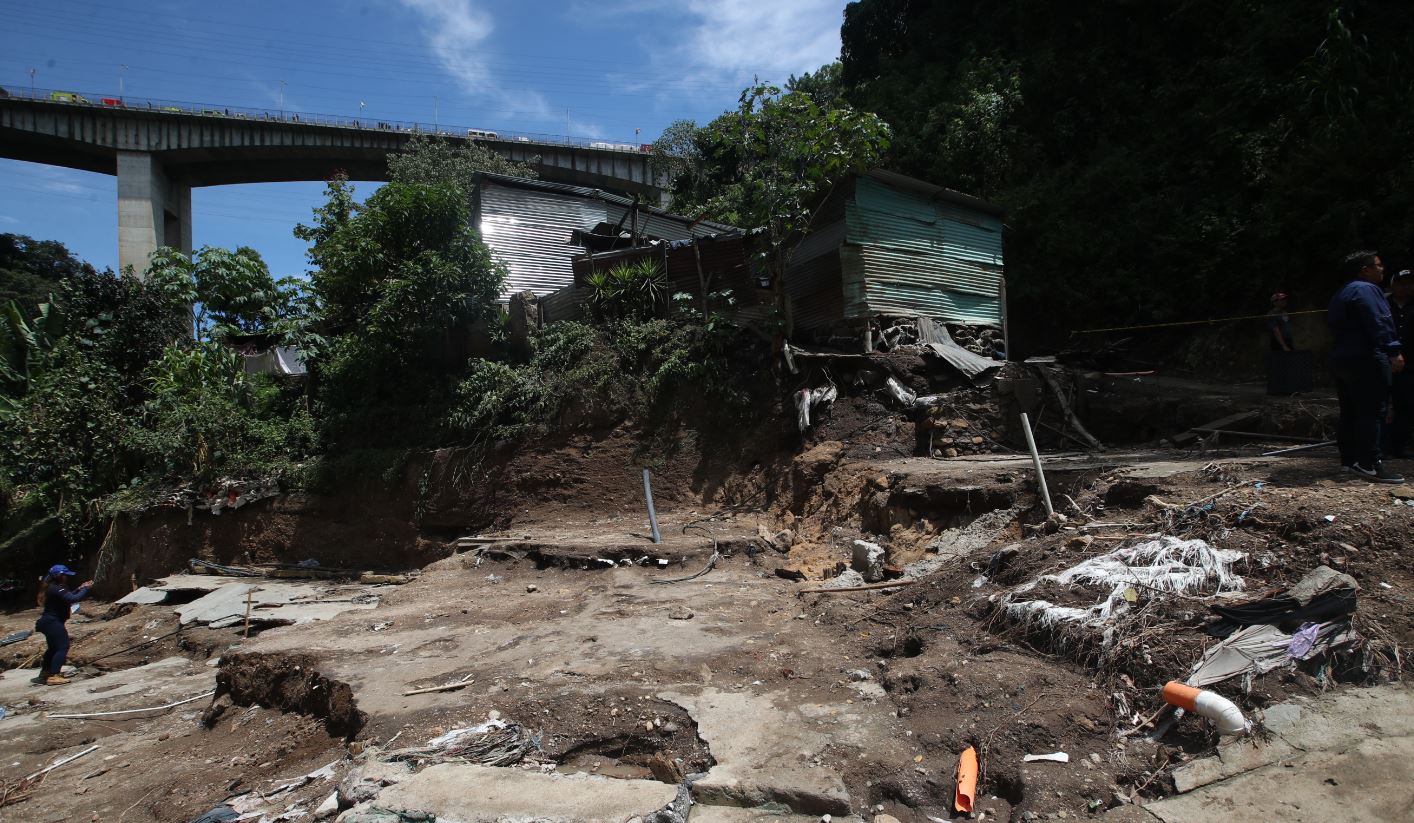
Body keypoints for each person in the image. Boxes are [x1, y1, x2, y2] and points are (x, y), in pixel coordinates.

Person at [1328, 251, 1405, 482]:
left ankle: (1349, 460)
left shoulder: (1341, 293)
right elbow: (1379, 321)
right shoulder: (1367, 290)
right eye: (1379, 266)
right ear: (1365, 270)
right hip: (1366, 358)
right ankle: (1370, 463)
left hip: (1342, 359)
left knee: (1350, 410)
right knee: (1373, 411)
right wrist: (1394, 351)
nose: (1383, 269)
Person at [34, 564, 92, 686]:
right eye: (65, 575)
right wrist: (86, 589)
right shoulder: (56, 588)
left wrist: (79, 588)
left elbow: (68, 596)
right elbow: (73, 599)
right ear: (59, 576)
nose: (67, 578)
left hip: (48, 622)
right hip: (52, 622)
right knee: (62, 647)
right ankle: (55, 675)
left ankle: (45, 672)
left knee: (53, 648)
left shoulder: (54, 588)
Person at [1386, 270, 1414, 458]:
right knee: (1382, 405)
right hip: (1385, 360)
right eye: (1401, 283)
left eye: (1409, 283)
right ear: (1393, 284)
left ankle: (1400, 446)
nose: (1405, 286)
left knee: (1407, 404)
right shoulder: (1383, 304)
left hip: (1411, 364)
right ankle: (1382, 446)